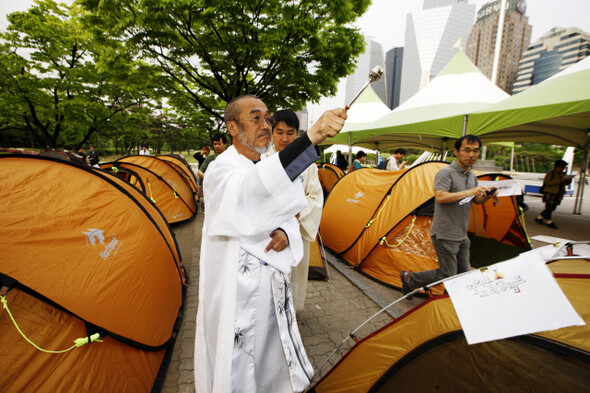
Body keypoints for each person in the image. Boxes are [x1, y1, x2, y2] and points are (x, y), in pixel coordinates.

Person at [194, 94, 346, 393]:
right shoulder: (221, 169)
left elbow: (288, 208)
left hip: (271, 295)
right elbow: (249, 192)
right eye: (256, 118)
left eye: (267, 118)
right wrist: (311, 137)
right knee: (237, 367)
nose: (266, 125)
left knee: (269, 362)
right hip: (236, 296)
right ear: (233, 128)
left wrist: (286, 233)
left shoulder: (266, 164)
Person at [400, 135, 497, 298]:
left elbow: (475, 200)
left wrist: (488, 195)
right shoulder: (446, 173)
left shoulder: (471, 175)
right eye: (467, 150)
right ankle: (410, 280)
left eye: (475, 151)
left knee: (463, 273)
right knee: (448, 274)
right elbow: (440, 197)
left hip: (461, 233)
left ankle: (451, 302)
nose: (471, 155)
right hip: (445, 233)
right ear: (457, 152)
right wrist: (470, 191)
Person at [266, 109, 323, 312]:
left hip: (296, 232)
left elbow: (315, 197)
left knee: (294, 275)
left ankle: (291, 314)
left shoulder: (308, 165)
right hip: (269, 234)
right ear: (271, 133)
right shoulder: (263, 161)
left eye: (290, 133)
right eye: (279, 132)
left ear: (298, 135)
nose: (284, 138)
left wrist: (297, 214)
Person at [535, 159, 571, 229]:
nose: (563, 169)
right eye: (562, 167)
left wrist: (568, 180)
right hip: (550, 193)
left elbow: (566, 183)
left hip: (559, 193)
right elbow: (548, 183)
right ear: (557, 166)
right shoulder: (550, 174)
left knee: (553, 207)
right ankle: (549, 221)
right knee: (549, 207)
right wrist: (560, 180)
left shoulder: (563, 174)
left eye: (564, 167)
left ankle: (539, 217)